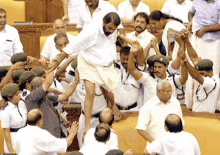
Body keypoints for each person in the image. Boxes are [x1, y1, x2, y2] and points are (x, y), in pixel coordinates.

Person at [50, 12, 122, 140]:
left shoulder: (112, 31)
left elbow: (111, 45)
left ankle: (114, 105)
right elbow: (73, 46)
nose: (111, 31)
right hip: (87, 62)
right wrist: (57, 61)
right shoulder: (91, 31)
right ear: (104, 22)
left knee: (107, 89)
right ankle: (87, 126)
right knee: (90, 92)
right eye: (109, 28)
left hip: (103, 62)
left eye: (114, 29)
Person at [25, 59, 79, 138]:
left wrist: (76, 82)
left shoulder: (47, 97)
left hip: (56, 133)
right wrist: (51, 68)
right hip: (44, 136)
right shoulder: (32, 98)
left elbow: (64, 96)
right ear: (39, 88)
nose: (49, 88)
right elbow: (47, 83)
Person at [188, 0, 220, 75]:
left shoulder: (218, 3)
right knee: (195, 66)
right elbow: (190, 12)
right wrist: (190, 22)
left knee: (212, 68)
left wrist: (204, 29)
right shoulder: (197, 0)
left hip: (213, 41)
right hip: (196, 38)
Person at [113, 46, 143, 111]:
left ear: (133, 58)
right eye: (123, 59)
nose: (125, 61)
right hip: (117, 110)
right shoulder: (115, 70)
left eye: (128, 59)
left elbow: (140, 49)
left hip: (134, 110)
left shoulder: (138, 71)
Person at [1, 83, 27, 153]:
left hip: (25, 135)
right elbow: (6, 132)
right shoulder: (5, 111)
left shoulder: (22, 103)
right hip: (14, 139)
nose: (19, 96)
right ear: (9, 97)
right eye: (16, 94)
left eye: (19, 93)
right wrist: (11, 150)